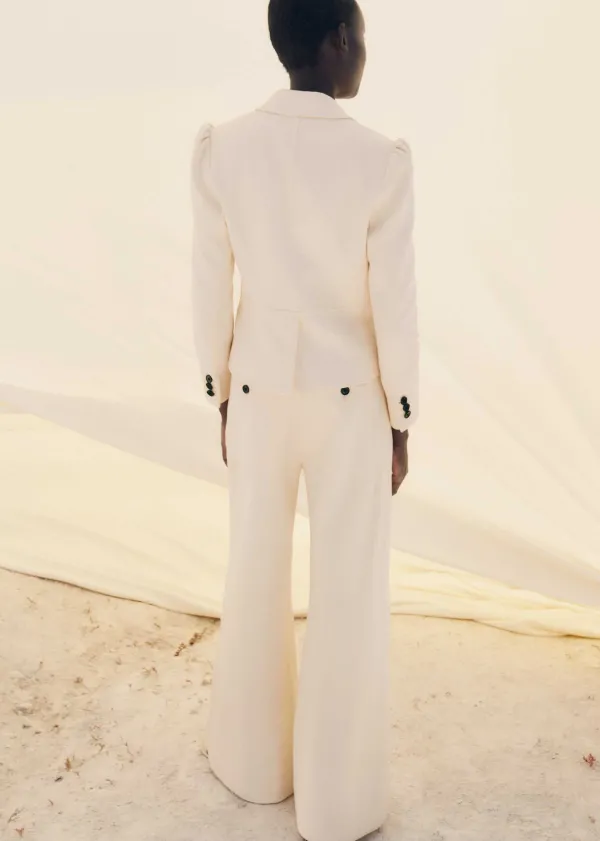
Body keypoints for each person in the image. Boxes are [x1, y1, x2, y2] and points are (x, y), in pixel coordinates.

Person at [190, 0, 419, 838]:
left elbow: (209, 282)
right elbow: (394, 301)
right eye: (361, 36)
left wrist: (220, 390)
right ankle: (338, 802)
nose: (364, 52)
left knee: (253, 573)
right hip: (351, 402)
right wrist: (402, 416)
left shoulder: (222, 148)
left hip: (255, 396)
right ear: (336, 42)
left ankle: (253, 766)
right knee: (347, 593)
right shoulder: (380, 160)